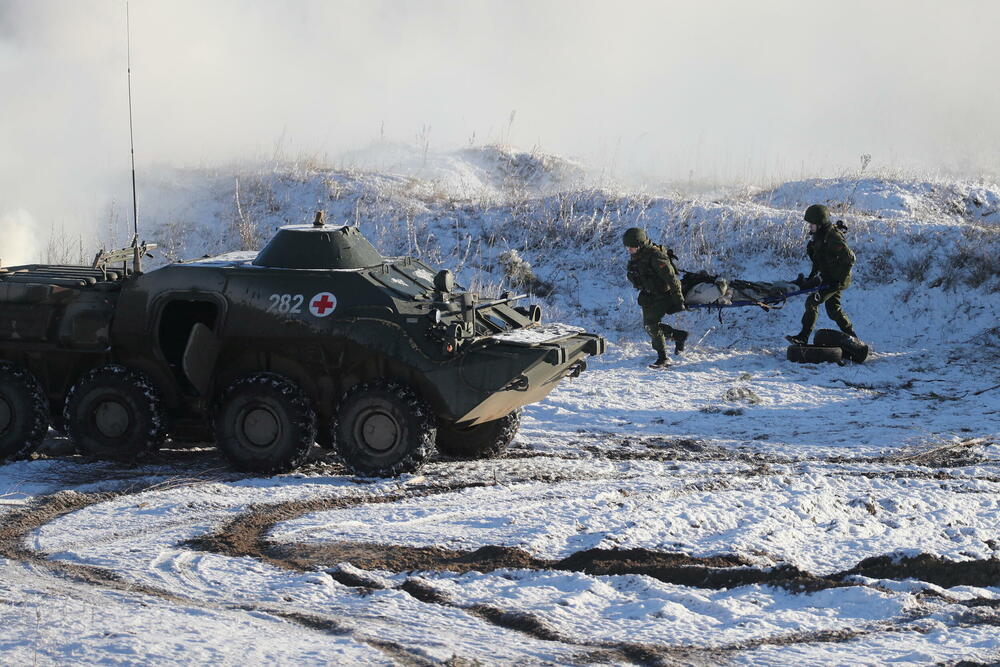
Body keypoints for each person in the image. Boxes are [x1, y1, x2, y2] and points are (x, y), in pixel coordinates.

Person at [786, 204, 858, 345]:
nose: (810, 227)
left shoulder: (832, 237)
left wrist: (838, 280)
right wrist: (811, 278)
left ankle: (803, 337)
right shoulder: (819, 236)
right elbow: (818, 261)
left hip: (837, 279)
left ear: (820, 223)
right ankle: (852, 338)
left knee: (812, 302)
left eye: (812, 224)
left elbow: (850, 259)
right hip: (829, 278)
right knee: (833, 310)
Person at [623, 227, 688, 368]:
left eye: (632, 247)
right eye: (628, 247)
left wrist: (679, 300)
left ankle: (663, 358)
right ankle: (678, 335)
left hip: (664, 295)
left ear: (640, 244)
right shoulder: (639, 255)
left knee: (652, 324)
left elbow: (672, 280)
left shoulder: (656, 256)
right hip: (649, 295)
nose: (629, 250)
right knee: (648, 326)